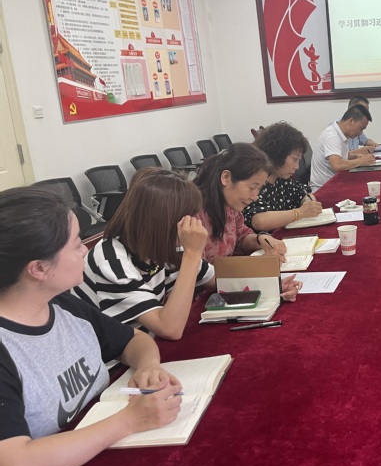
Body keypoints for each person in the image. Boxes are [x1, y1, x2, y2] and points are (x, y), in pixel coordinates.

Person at [0, 187, 182, 466]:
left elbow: (134, 341)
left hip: (100, 461)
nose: (86, 249)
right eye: (76, 244)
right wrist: (128, 421)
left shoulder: (62, 303)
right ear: (39, 268)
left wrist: (147, 366)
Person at [74, 168, 215, 340]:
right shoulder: (110, 262)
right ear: (164, 222)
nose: (193, 225)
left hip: (142, 345)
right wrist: (192, 254)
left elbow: (215, 279)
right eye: (189, 218)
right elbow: (170, 329)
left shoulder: (158, 246)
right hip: (109, 355)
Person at [193, 143, 302, 301]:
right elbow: (201, 273)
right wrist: (259, 272)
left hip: (229, 287)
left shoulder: (230, 206)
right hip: (200, 300)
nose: (255, 197)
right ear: (226, 178)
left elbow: (240, 236)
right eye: (252, 187)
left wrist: (260, 239)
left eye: (259, 189)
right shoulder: (194, 215)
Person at [244, 122, 323, 232]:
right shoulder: (255, 181)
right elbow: (260, 221)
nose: (297, 166)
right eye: (295, 159)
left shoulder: (280, 179)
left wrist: (307, 204)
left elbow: (305, 194)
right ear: (278, 154)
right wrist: (299, 213)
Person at [310, 104, 376, 192]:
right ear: (351, 121)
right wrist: (360, 161)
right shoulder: (332, 136)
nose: (361, 133)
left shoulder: (341, 133)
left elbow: (341, 156)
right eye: (361, 128)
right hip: (324, 189)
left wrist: (355, 156)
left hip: (336, 183)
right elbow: (337, 165)